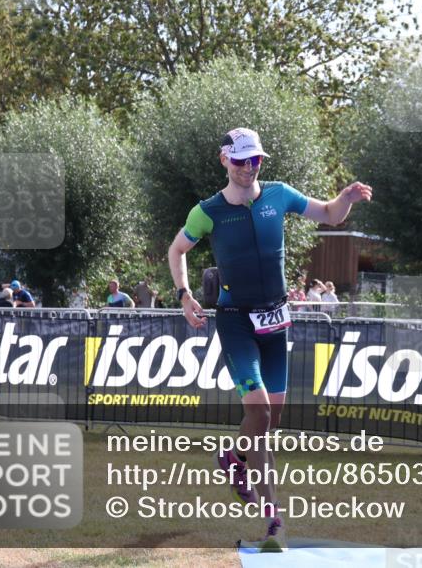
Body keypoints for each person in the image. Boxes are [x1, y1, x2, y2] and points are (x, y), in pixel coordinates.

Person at [167, 127, 371, 551]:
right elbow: (176, 251)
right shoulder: (207, 211)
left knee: (269, 422)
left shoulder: (279, 195)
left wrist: (346, 199)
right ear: (225, 160)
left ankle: (234, 459)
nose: (247, 168)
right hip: (236, 321)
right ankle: (274, 520)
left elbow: (329, 215)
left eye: (254, 160)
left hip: (276, 323)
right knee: (258, 413)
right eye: (240, 160)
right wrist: (185, 296)